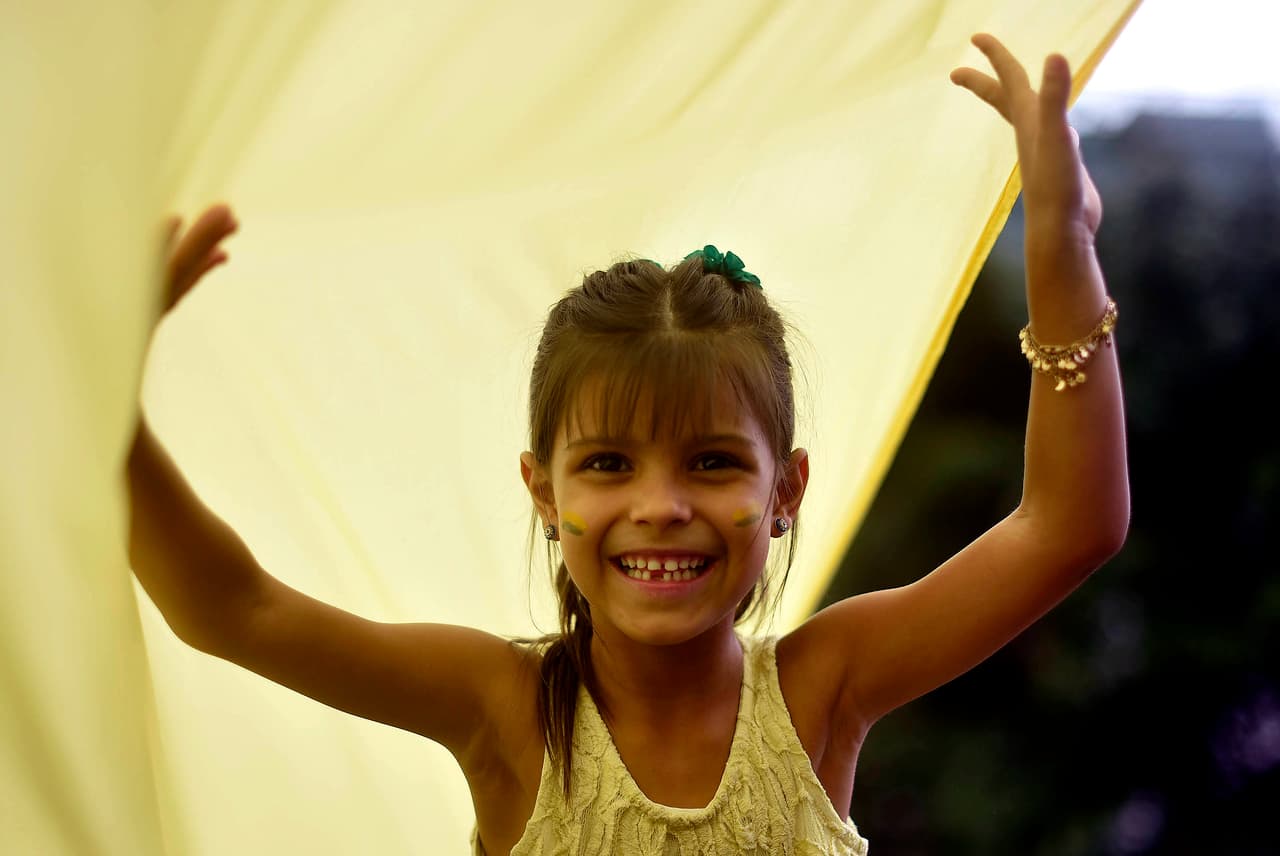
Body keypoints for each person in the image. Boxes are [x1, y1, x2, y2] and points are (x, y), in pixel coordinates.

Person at [128, 33, 1129, 855]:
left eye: (712, 462)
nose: (660, 504)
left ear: (786, 491)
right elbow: (236, 610)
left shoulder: (823, 688)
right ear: (542, 489)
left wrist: (1062, 248)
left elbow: (1066, 527)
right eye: (608, 464)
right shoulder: (502, 709)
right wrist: (110, 422)